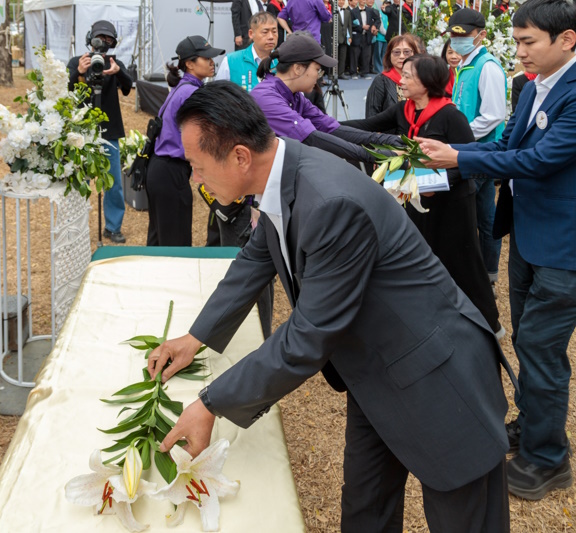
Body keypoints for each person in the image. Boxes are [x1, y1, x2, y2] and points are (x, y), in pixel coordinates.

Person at [147, 81, 513, 532]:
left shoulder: (330, 202)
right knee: (365, 508)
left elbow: (308, 335)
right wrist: (195, 338)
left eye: (198, 166)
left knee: (464, 518)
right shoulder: (283, 172)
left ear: (240, 156)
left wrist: (210, 403)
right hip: (376, 373)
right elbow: (255, 259)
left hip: (438, 377)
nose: (194, 179)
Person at [419, 0, 576, 501]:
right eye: (519, 41)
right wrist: (452, 158)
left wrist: (458, 157)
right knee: (529, 341)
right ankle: (533, 426)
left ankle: (548, 459)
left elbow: (540, 159)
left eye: (529, 42)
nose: (520, 52)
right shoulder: (533, 86)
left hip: (564, 247)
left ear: (567, 39)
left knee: (541, 348)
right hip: (530, 237)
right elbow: (508, 143)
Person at [343, 54, 503, 339]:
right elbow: (365, 127)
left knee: (461, 261)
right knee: (420, 257)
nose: (400, 81)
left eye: (407, 76)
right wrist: (318, 126)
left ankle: (488, 324)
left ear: (427, 82)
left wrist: (436, 182)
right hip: (417, 199)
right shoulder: (403, 110)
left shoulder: (451, 116)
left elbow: (468, 164)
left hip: (451, 204)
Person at [252, 33, 403, 166]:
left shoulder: (294, 96)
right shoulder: (267, 98)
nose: (319, 76)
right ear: (298, 69)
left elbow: (332, 128)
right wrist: (381, 156)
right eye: (317, 70)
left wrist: (389, 140)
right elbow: (312, 138)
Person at [448, 8, 507, 297]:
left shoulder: (487, 67)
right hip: (470, 151)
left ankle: (483, 278)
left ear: (481, 35)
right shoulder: (466, 65)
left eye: (463, 35)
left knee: (478, 219)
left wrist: (458, 139)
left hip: (479, 154)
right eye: (453, 35)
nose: (456, 40)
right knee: (483, 217)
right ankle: (483, 277)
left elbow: (493, 116)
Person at [146, 36, 224, 246]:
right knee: (175, 247)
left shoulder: (182, 88)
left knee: (158, 243)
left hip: (161, 170)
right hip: (170, 173)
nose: (212, 62)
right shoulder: (191, 92)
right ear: (189, 64)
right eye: (206, 58)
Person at [67, 20, 133, 244]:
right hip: (81, 131)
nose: (103, 43)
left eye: (108, 39)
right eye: (99, 38)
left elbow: (128, 87)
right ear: (90, 39)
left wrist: (118, 73)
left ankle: (113, 227)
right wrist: (78, 72)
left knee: (113, 183)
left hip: (109, 131)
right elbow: (65, 90)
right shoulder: (78, 61)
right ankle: (76, 226)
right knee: (80, 181)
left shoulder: (114, 63)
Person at [215, 11, 279, 91]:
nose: (271, 37)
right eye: (265, 32)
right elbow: (218, 94)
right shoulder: (231, 60)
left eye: (274, 31)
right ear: (251, 34)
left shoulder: (283, 61)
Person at [365, 34, 420, 125]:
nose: (402, 56)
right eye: (396, 52)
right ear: (389, 55)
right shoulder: (381, 81)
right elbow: (371, 117)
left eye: (406, 52)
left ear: (414, 54)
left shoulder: (421, 80)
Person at [350, 0, 380, 79]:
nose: (363, 1)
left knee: (366, 55)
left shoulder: (370, 10)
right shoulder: (353, 11)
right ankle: (353, 73)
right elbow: (350, 24)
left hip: (367, 36)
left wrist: (374, 26)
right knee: (355, 55)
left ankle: (365, 72)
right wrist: (361, 27)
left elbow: (377, 19)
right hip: (357, 36)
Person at [336, 0, 354, 80]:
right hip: (335, 37)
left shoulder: (347, 12)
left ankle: (341, 73)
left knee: (343, 56)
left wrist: (350, 37)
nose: (341, 2)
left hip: (344, 37)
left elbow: (349, 26)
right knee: (334, 56)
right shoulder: (333, 11)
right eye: (340, 0)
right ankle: (332, 73)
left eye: (343, 0)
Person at [371, 0, 389, 73]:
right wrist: (387, 34)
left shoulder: (389, 14)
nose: (387, 6)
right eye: (385, 4)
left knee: (384, 55)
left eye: (388, 5)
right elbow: (380, 27)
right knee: (378, 55)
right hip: (380, 37)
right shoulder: (380, 13)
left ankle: (383, 69)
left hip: (386, 39)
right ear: (382, 5)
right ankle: (378, 70)